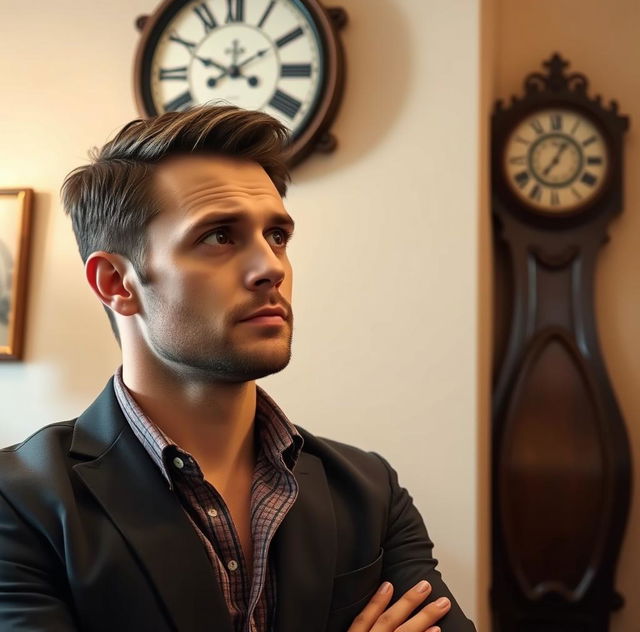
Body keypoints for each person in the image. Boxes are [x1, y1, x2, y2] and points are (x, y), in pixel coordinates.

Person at [0, 106, 476, 632]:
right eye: (220, 236)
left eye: (276, 236)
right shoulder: (21, 503)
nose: (271, 266)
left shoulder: (369, 491)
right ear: (116, 282)